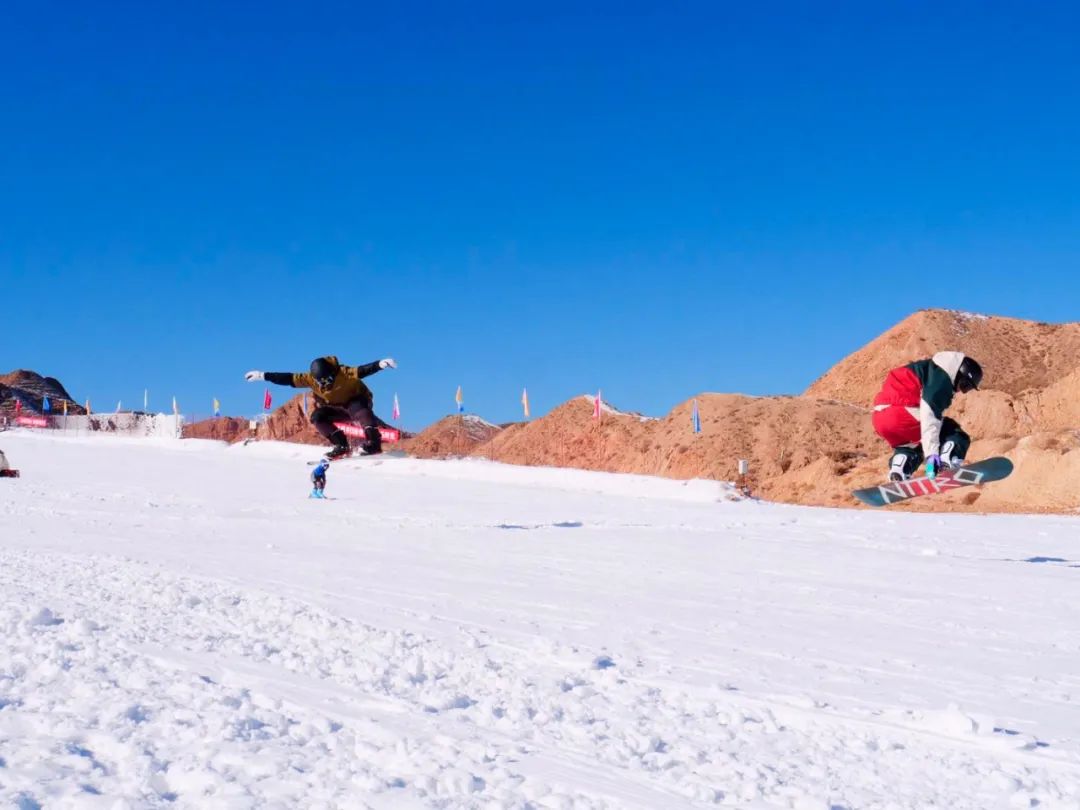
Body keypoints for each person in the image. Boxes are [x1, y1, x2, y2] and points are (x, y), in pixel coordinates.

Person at [245, 355, 397, 459]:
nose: (325, 384)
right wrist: (263, 375)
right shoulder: (309, 379)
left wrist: (380, 364)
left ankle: (374, 443)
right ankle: (341, 445)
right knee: (317, 417)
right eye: (321, 382)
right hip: (337, 408)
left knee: (358, 408)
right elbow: (288, 378)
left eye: (328, 380)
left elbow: (363, 370)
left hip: (357, 401)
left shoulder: (343, 372)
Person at [871, 351, 983, 481]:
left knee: (910, 447)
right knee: (953, 433)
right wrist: (932, 456)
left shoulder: (926, 369)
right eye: (965, 385)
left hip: (880, 419)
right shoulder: (941, 378)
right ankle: (949, 461)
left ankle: (899, 469)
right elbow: (929, 416)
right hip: (902, 413)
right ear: (958, 373)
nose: (961, 391)